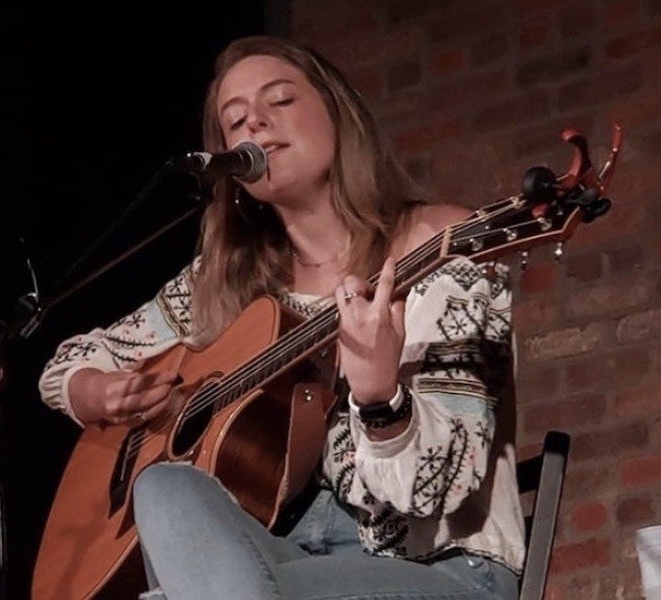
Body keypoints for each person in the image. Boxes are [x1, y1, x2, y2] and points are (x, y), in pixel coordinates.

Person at [39, 35, 524, 600]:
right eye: (235, 119)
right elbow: (69, 363)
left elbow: (436, 490)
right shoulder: (224, 285)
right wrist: (98, 391)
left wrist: (380, 400)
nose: (256, 125)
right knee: (164, 485)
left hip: (438, 567)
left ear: (337, 114)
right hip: (276, 560)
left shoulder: (440, 247)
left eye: (281, 100)